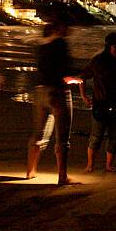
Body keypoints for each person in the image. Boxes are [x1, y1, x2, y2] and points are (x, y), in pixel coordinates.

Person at [27, 14, 81, 185]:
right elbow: (65, 70)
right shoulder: (60, 44)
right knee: (62, 137)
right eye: (67, 28)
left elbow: (44, 68)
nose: (69, 31)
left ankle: (30, 171)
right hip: (57, 92)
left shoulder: (42, 46)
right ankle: (62, 176)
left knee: (38, 133)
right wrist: (75, 77)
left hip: (40, 90)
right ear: (60, 28)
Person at [79, 32, 116, 172]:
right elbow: (82, 77)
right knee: (97, 135)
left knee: (114, 136)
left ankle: (108, 165)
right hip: (101, 103)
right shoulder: (98, 61)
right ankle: (90, 165)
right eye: (115, 47)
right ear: (108, 47)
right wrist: (84, 96)